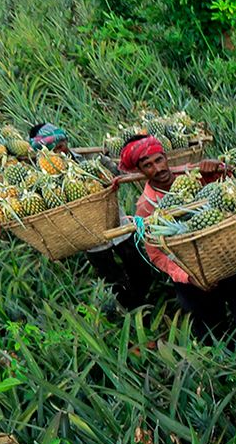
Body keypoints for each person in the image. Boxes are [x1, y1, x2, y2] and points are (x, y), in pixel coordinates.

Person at [123, 135, 236, 338]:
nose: (157, 169)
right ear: (140, 171)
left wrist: (218, 169)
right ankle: (222, 363)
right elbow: (156, 255)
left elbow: (232, 188)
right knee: (209, 326)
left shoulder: (194, 174)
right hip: (189, 273)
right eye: (148, 165)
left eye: (158, 160)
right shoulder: (146, 205)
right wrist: (187, 276)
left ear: (165, 158)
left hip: (224, 256)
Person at [27, 122, 155, 310]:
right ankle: (134, 310)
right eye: (52, 150)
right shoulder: (43, 179)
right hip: (88, 236)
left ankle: (151, 300)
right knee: (111, 278)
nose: (59, 151)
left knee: (138, 266)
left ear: (65, 141)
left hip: (116, 224)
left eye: (61, 145)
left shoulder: (91, 158)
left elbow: (118, 172)